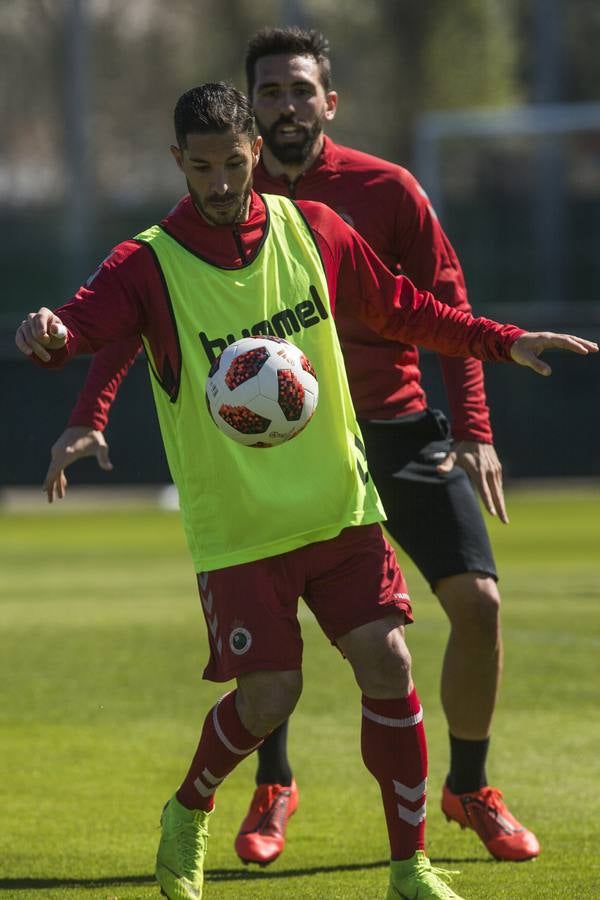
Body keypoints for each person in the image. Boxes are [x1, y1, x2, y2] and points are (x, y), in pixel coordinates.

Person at [16, 83, 597, 900]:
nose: (219, 182)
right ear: (177, 161)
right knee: (268, 697)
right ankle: (188, 808)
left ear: (256, 151)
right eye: (201, 166)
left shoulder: (314, 229)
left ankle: (409, 866)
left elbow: (403, 308)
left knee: (388, 663)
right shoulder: (145, 262)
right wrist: (45, 337)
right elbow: (78, 329)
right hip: (240, 529)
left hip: (337, 505)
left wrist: (504, 342)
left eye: (232, 162)